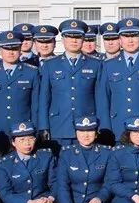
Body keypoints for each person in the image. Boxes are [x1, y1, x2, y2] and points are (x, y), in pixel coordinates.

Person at [38, 20, 106, 149]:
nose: (74, 40)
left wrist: (101, 125)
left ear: (83, 39)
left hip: (87, 126)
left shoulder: (95, 64)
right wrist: (43, 126)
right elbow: (44, 99)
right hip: (58, 125)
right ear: (63, 39)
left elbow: (100, 98)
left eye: (78, 37)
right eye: (69, 37)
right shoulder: (50, 65)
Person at [97, 17, 139, 138]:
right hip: (117, 126)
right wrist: (105, 127)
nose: (130, 40)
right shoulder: (108, 65)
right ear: (120, 39)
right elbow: (103, 99)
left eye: (134, 36)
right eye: (125, 36)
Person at [0, 29, 40, 152]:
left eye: (15, 48)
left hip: (23, 131)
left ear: (20, 49)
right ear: (0, 50)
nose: (11, 52)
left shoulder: (31, 72)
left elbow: (36, 106)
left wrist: (35, 129)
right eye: (6, 49)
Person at [56, 116, 112, 203]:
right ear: (76, 133)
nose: (86, 135)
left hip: (95, 200)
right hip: (74, 202)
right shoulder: (66, 154)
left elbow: (110, 181)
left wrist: (100, 197)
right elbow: (62, 185)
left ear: (96, 133)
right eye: (81, 131)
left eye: (90, 131)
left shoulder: (107, 153)